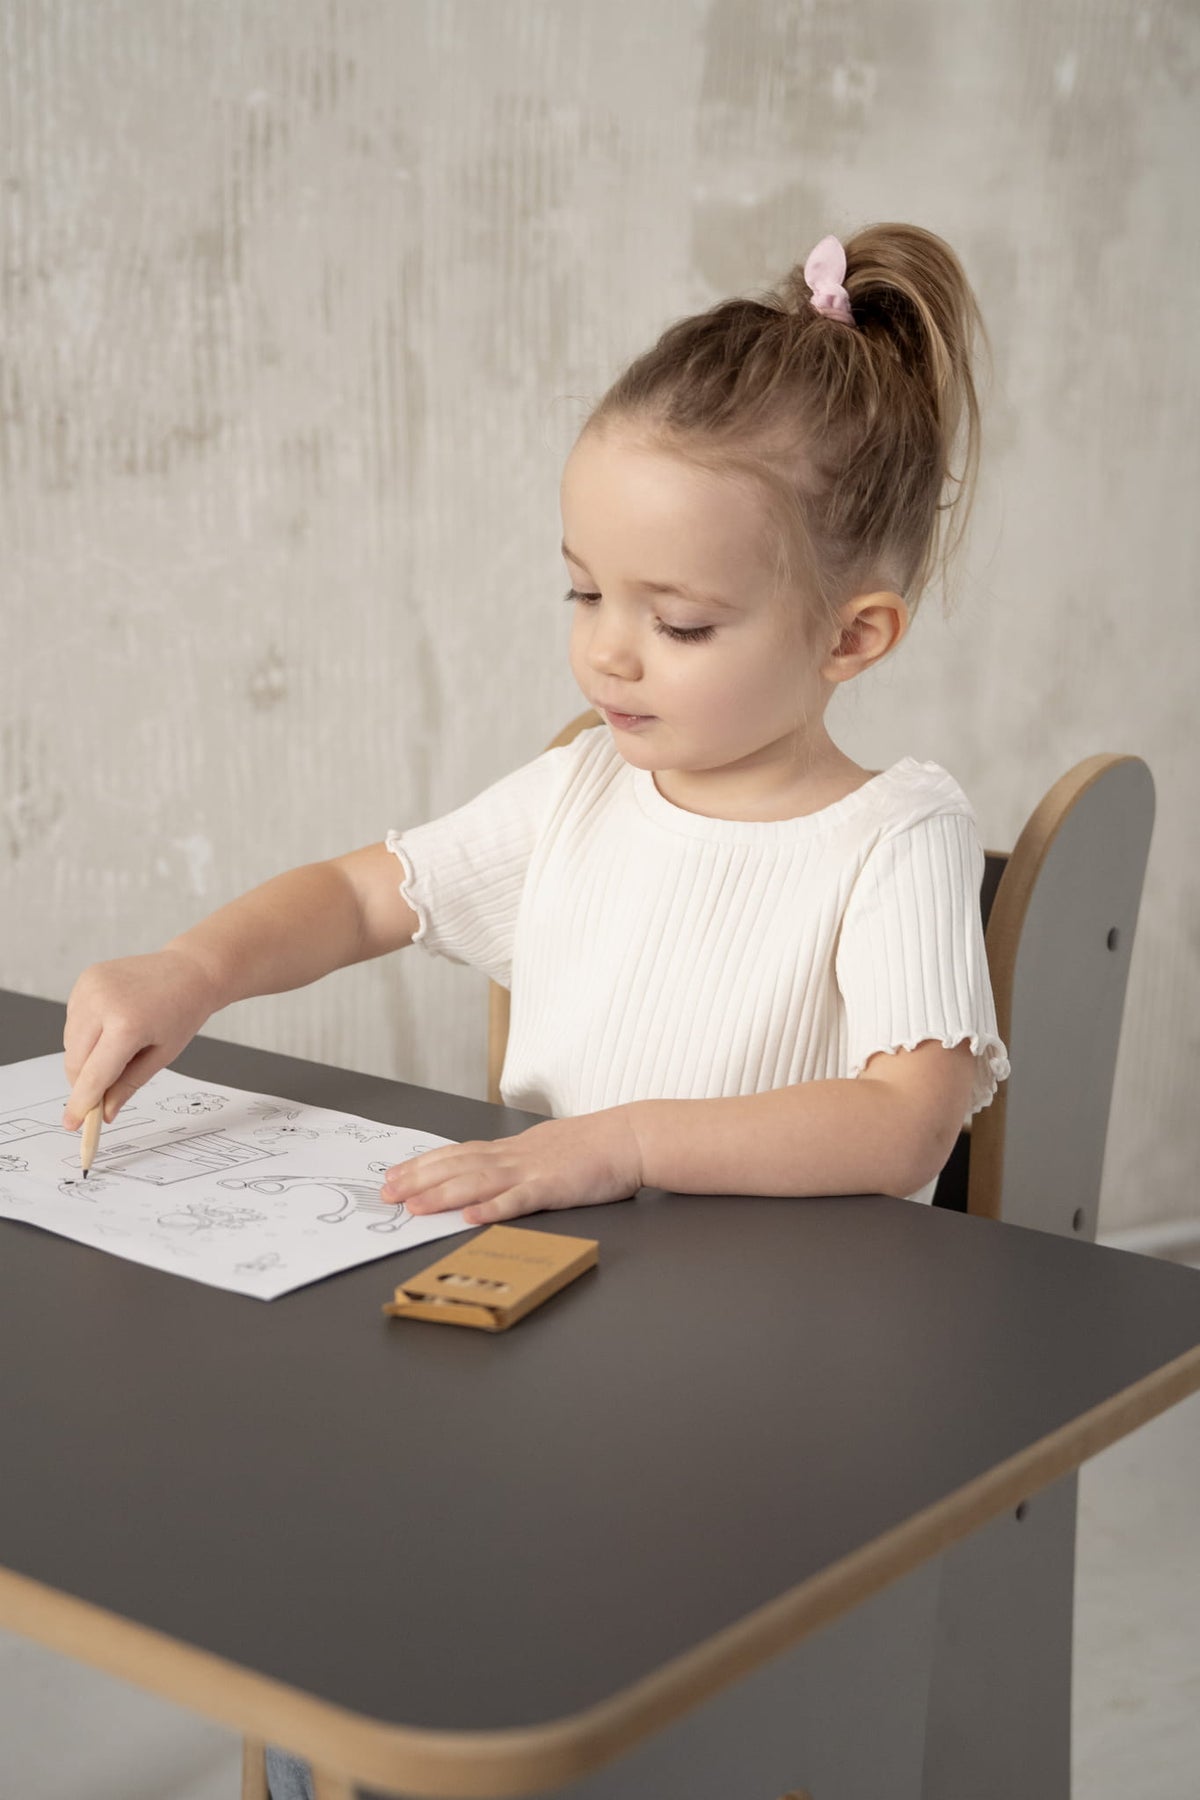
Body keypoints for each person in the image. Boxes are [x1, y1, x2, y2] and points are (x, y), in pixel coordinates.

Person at [61, 223, 1009, 1800]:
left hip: (774, 1388)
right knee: (315, 1579)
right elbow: (372, 893)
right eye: (583, 591)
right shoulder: (586, 780)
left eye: (678, 621)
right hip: (544, 1316)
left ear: (855, 636)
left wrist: (608, 1147)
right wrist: (195, 967)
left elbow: (907, 1108)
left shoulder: (890, 829)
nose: (608, 651)